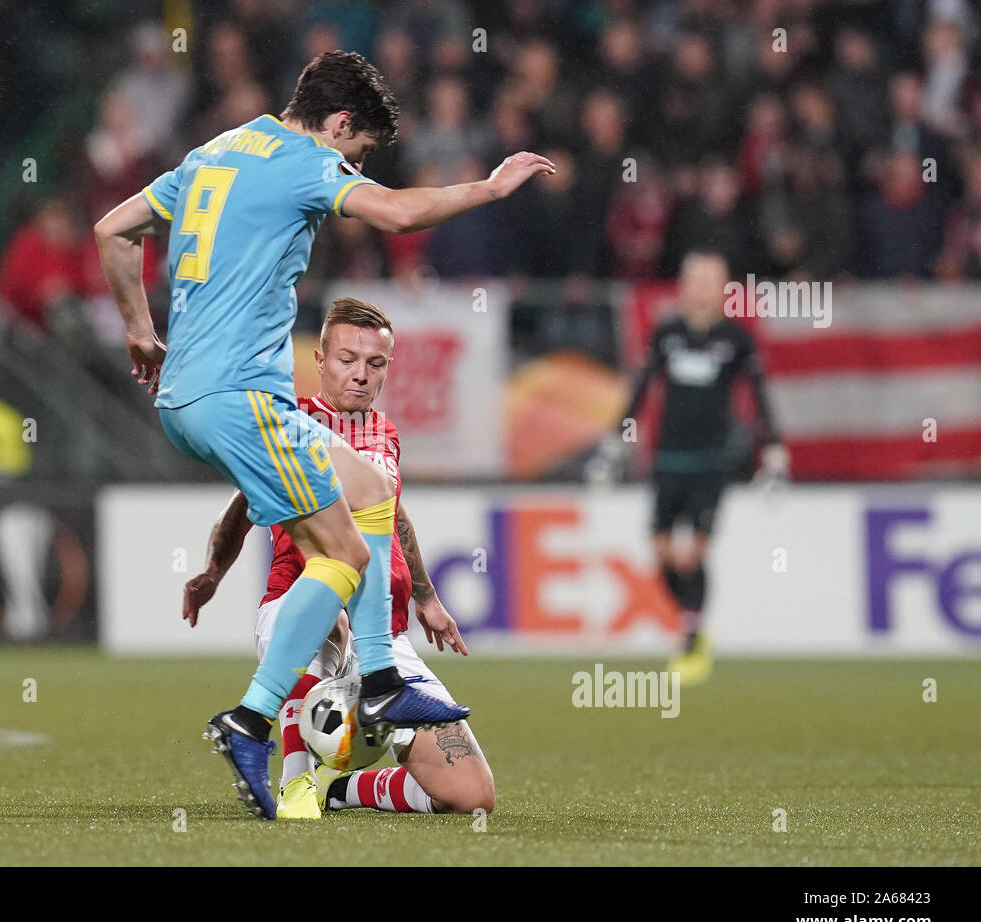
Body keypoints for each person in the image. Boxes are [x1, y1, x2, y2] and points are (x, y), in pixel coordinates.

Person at [94, 50, 553, 819]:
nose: (354, 166)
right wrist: (491, 186)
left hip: (191, 397)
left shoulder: (215, 152)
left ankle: (378, 680)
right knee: (342, 554)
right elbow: (401, 214)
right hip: (241, 396)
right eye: (360, 152)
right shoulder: (306, 159)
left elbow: (113, 230)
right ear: (340, 124)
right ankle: (251, 719)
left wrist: (140, 329)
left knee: (368, 489)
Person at [183, 298, 494, 819]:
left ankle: (335, 790)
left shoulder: (385, 435)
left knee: (471, 795)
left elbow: (393, 516)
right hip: (299, 610)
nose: (360, 375)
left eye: (375, 364)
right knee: (332, 619)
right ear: (321, 360)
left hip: (385, 640)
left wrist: (426, 596)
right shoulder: (288, 422)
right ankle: (292, 782)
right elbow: (241, 506)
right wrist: (214, 571)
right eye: (347, 359)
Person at [588, 250, 788, 684]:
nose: (700, 289)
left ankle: (692, 639)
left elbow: (759, 399)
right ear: (682, 286)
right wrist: (615, 445)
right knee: (662, 552)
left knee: (694, 551)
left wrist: (773, 451)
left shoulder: (737, 340)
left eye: (709, 281)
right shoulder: (667, 334)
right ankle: (692, 625)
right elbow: (639, 393)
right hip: (668, 459)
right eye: (693, 279)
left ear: (723, 290)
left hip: (712, 461)